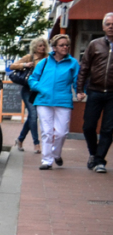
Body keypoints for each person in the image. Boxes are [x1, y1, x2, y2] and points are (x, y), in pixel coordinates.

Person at [28, 34, 82, 170]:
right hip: (43, 101)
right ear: (54, 48)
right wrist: (41, 88)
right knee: (46, 132)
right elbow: (32, 79)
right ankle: (47, 160)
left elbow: (77, 80)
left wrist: (80, 91)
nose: (65, 47)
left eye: (67, 45)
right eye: (62, 45)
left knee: (61, 133)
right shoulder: (44, 62)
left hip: (63, 101)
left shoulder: (73, 63)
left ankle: (56, 154)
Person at [77, 11, 113, 173]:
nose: (111, 27)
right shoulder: (95, 44)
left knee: (108, 129)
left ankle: (100, 161)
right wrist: (79, 89)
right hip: (95, 91)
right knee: (88, 126)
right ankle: (93, 153)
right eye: (108, 24)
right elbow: (84, 68)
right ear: (103, 27)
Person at [10, 35, 48, 153]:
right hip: (28, 90)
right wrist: (25, 65)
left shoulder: (48, 58)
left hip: (40, 91)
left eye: (43, 46)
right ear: (34, 47)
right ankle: (36, 143)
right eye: (39, 46)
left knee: (32, 116)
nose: (42, 48)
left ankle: (20, 139)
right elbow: (12, 66)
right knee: (33, 114)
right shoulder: (29, 57)